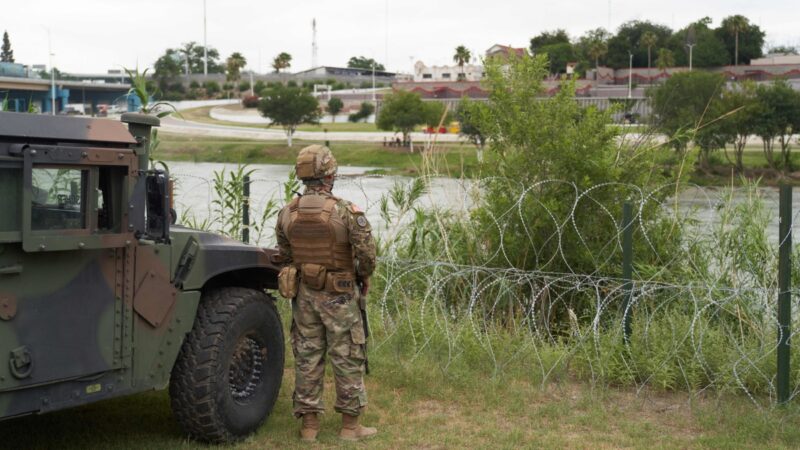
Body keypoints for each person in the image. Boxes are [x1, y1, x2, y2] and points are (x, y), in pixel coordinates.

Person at [275, 145, 378, 442]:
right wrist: (363, 276)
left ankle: (309, 428)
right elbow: (367, 254)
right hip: (340, 294)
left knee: (307, 356)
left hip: (305, 294)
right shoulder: (345, 210)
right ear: (330, 175)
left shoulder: (287, 212)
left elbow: (285, 254)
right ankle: (350, 427)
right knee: (347, 355)